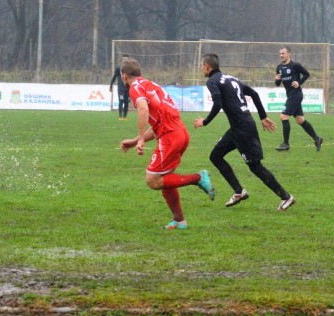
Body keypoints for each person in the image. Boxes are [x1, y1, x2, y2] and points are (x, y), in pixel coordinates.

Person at [119, 57, 215, 231]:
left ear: (124, 76)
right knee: (165, 179)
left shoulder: (135, 88)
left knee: (153, 180)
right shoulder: (151, 85)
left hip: (171, 138)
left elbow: (142, 109)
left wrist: (140, 138)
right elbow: (158, 126)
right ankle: (179, 220)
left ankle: (198, 178)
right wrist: (135, 141)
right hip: (180, 134)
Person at [193, 53, 296, 211]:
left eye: (202, 66)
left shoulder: (212, 81)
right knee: (215, 156)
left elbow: (218, 103)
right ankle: (239, 191)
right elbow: (254, 94)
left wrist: (204, 121)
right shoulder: (230, 78)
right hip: (238, 127)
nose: (202, 69)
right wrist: (262, 117)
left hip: (242, 128)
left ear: (207, 66)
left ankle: (286, 197)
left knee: (255, 167)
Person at [274, 46, 322, 152]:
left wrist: (298, 82)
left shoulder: (295, 65)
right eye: (280, 53)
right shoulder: (279, 67)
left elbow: (306, 74)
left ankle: (285, 144)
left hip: (296, 94)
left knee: (283, 117)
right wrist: (277, 80)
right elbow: (278, 84)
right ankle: (317, 139)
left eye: (283, 53)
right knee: (300, 120)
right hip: (290, 95)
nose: (281, 55)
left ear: (289, 54)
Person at [110, 55, 130, 120]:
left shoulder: (130, 69)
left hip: (128, 88)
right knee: (121, 101)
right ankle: (120, 116)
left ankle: (125, 116)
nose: (125, 61)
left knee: (126, 102)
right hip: (121, 88)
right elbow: (114, 77)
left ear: (128, 60)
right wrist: (111, 85)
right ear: (122, 60)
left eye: (126, 59)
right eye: (123, 59)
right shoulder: (119, 68)